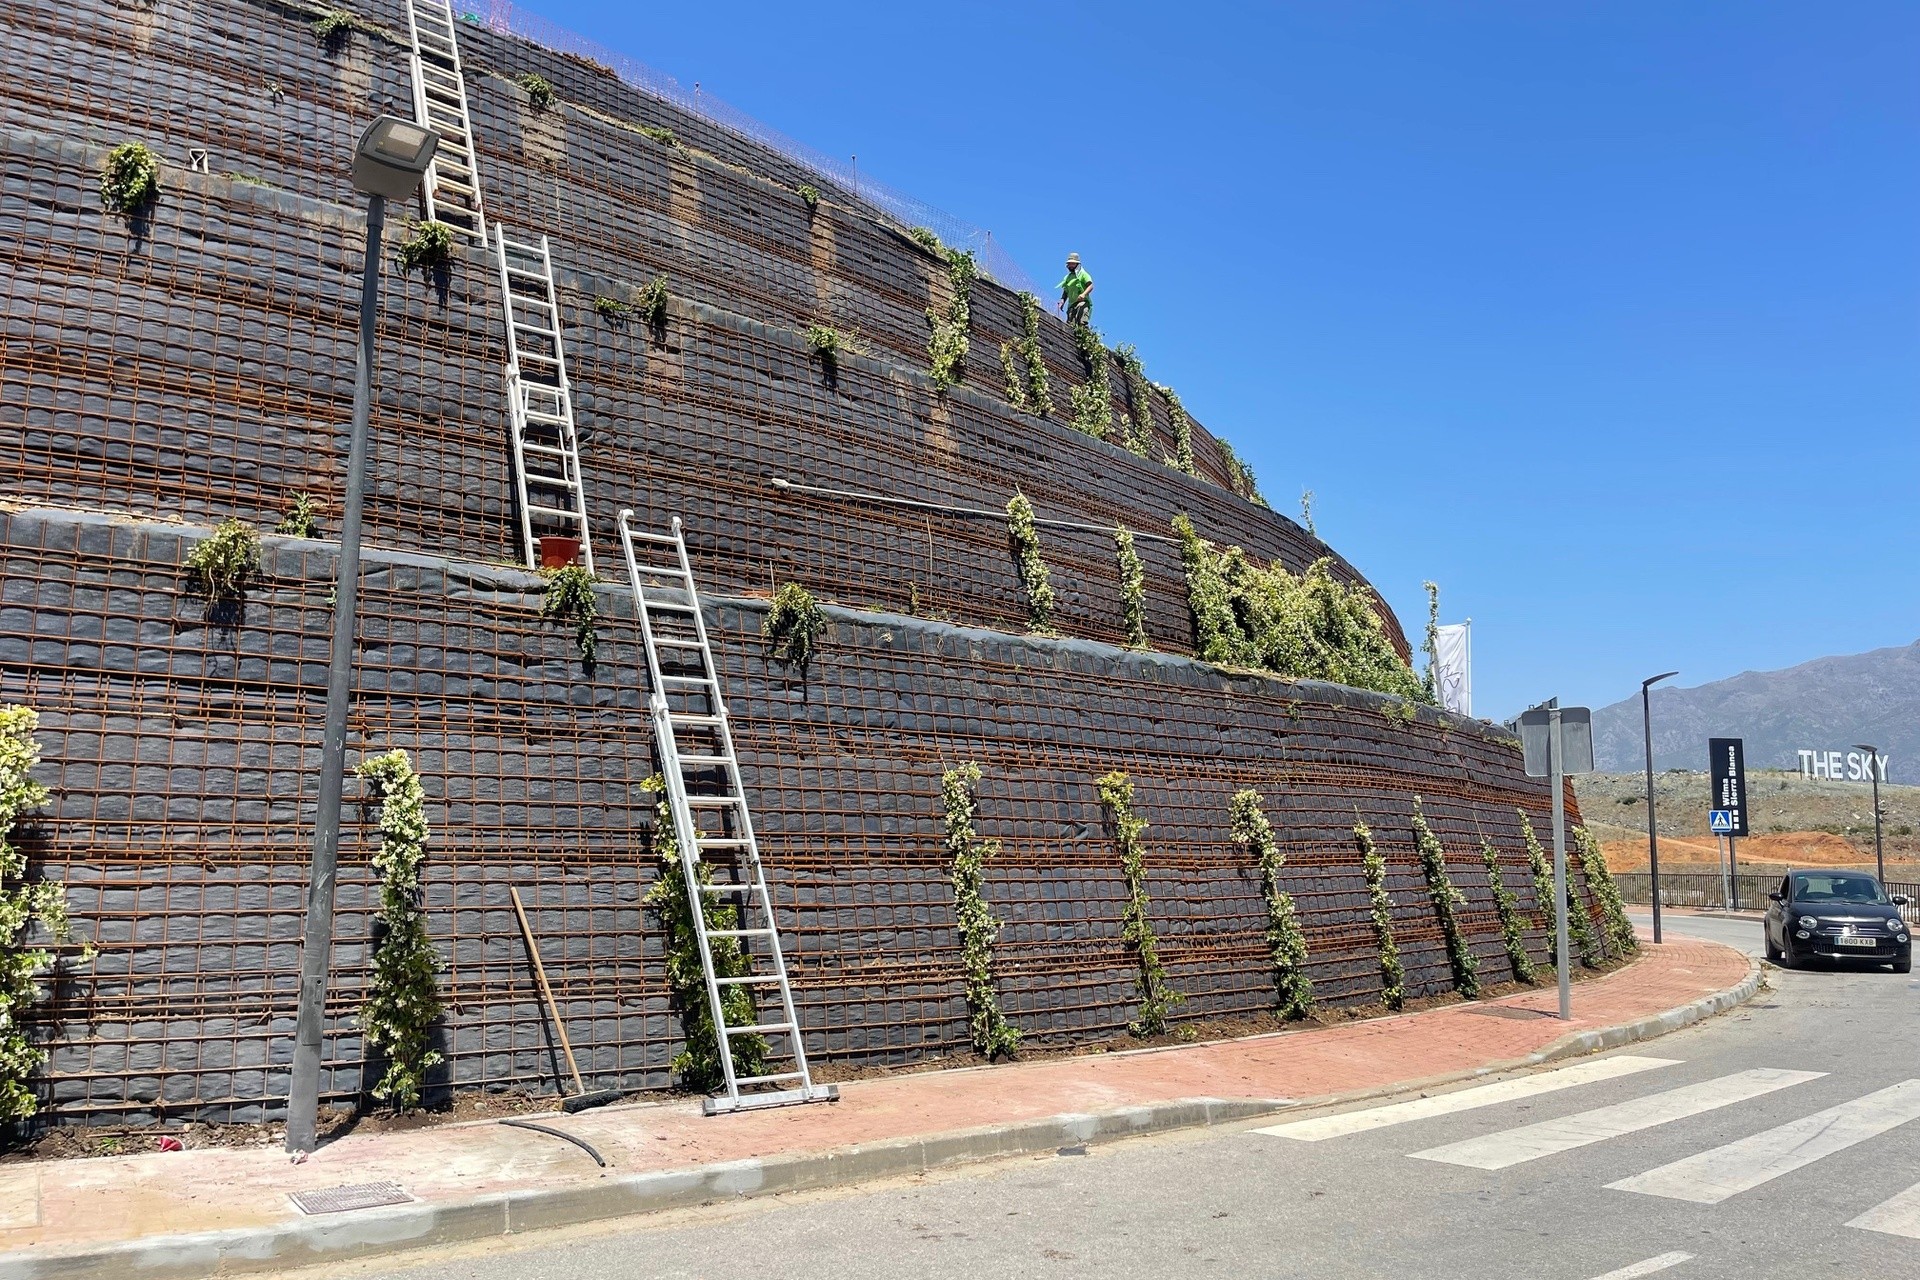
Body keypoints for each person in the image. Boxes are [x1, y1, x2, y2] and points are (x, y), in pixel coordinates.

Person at [1056, 252, 1094, 327]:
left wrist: (1083, 294)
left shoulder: (1083, 274)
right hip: (1072, 304)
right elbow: (1066, 291)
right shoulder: (1068, 277)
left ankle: (1083, 334)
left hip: (1082, 301)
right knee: (1070, 324)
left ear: (1077, 264)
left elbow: (1091, 286)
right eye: (1069, 264)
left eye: (1072, 264)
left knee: (1081, 319)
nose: (1070, 266)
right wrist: (1062, 301)